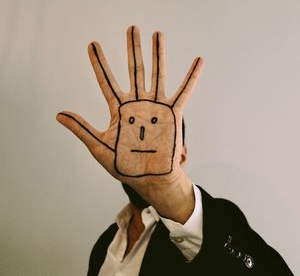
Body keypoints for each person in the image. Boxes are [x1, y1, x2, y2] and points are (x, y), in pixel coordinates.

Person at [56, 26, 293, 275]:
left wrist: (173, 193)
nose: (143, 141)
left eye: (162, 139)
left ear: (182, 154)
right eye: (133, 132)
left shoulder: (217, 223)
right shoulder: (105, 244)